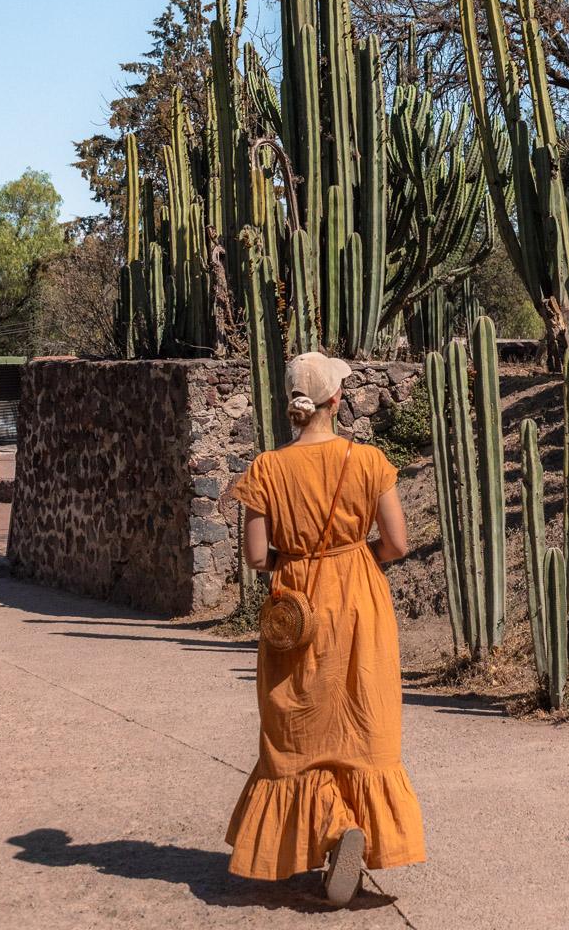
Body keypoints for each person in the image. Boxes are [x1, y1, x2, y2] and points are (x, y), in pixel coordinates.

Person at [226, 352, 426, 906]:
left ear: (291, 404)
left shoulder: (266, 469)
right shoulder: (369, 462)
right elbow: (397, 544)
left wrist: (300, 562)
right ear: (337, 400)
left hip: (297, 606)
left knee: (297, 731)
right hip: (361, 599)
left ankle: (336, 830)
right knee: (362, 722)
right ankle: (349, 838)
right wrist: (351, 559)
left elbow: (256, 556)